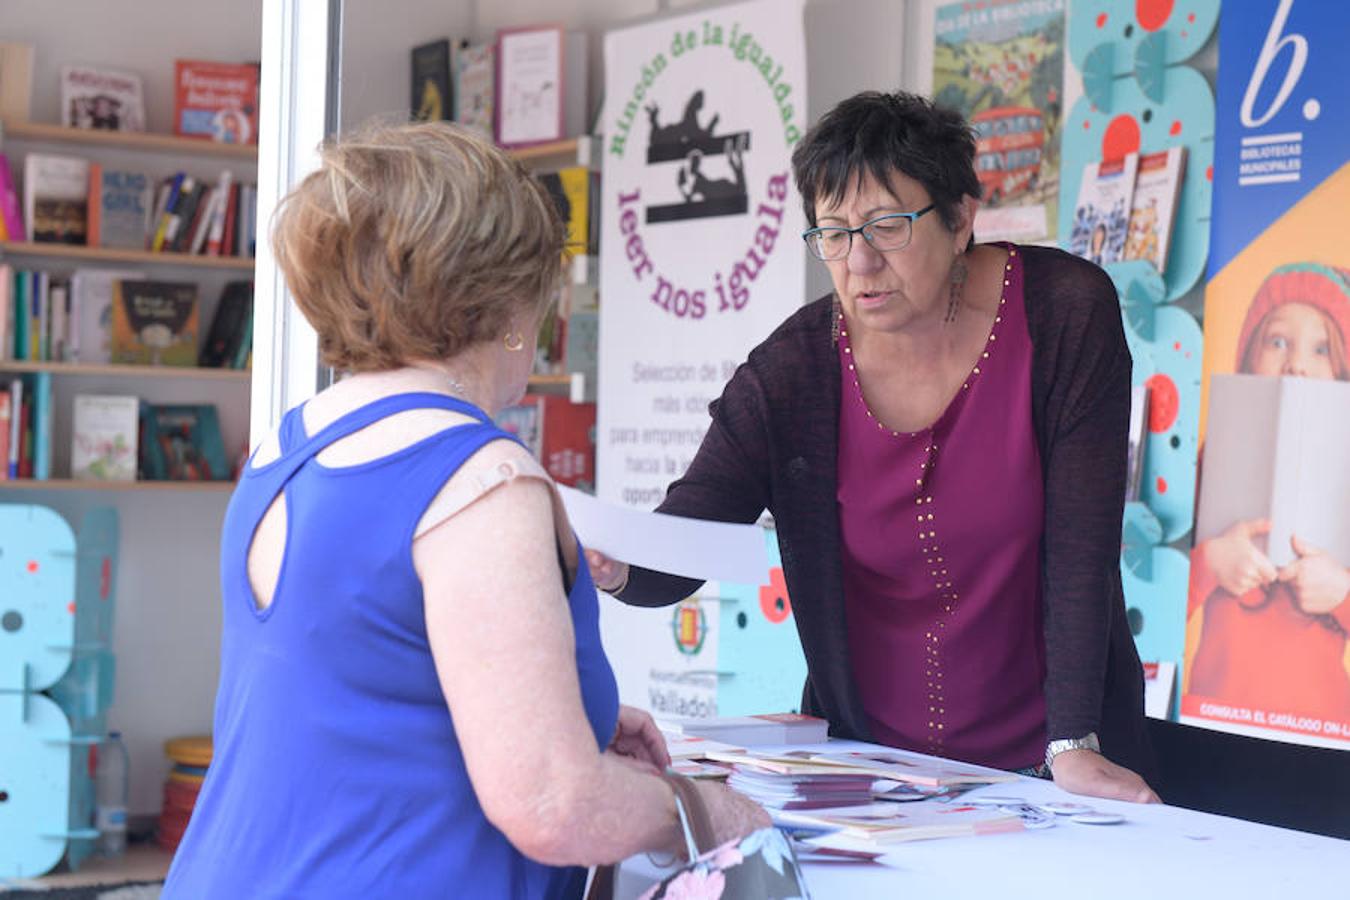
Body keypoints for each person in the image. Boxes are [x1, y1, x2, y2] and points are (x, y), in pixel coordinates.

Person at [162, 122, 766, 899]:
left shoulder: (285, 450)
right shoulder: (483, 479)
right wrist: (713, 810)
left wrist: (569, 711)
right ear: (511, 300)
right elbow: (555, 806)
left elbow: (350, 688)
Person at [588, 91, 1159, 803]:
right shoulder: (792, 371)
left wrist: (1075, 743)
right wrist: (611, 563)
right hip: (873, 779)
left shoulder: (1065, 314)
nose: (858, 262)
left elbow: (1083, 549)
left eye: (886, 227)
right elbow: (693, 533)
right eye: (832, 232)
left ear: (959, 220)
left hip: (1053, 770)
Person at [1187, 263, 1350, 715]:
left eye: (1322, 348)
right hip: (1214, 714)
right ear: (1248, 355)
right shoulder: (1212, 453)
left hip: (1325, 730)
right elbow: (1148, 606)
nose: (1297, 363)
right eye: (1277, 341)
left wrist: (1341, 593)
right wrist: (1211, 563)